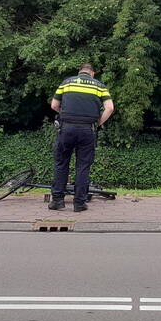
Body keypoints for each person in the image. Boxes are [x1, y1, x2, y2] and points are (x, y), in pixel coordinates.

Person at [49, 63, 114, 212]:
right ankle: (79, 203)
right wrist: (98, 123)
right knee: (83, 166)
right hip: (87, 130)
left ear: (80, 72)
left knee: (61, 163)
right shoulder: (99, 86)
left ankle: (58, 201)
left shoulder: (67, 82)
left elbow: (54, 105)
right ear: (92, 74)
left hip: (66, 128)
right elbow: (110, 108)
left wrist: (65, 114)